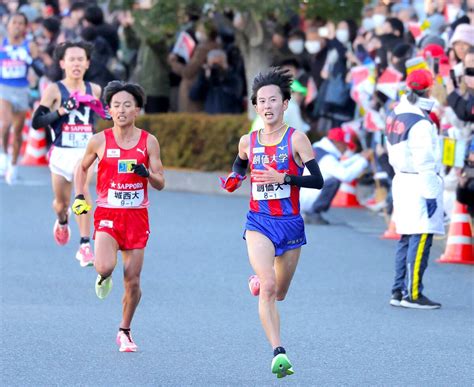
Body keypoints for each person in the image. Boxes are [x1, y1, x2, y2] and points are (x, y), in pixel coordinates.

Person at [220, 67, 324, 378]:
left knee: (279, 293)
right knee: (268, 286)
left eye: (273, 100)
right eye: (261, 101)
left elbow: (318, 181)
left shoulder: (297, 140)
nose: (267, 106)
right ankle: (278, 352)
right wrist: (233, 180)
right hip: (259, 222)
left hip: (290, 223)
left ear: (285, 104)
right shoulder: (247, 141)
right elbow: (239, 169)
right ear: (255, 107)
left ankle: (261, 281)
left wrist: (286, 178)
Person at [72, 81, 165, 352]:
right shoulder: (99, 140)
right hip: (108, 215)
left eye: (127, 105)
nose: (121, 110)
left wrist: (146, 173)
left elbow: (161, 182)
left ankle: (124, 331)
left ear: (137, 109)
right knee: (103, 266)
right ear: (109, 110)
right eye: (116, 105)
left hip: (137, 217)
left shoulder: (149, 142)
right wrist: (79, 195)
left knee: (133, 280)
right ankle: (103, 276)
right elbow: (82, 168)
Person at [31, 41, 101, 267]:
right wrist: (62, 110)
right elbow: (37, 122)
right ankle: (62, 221)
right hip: (61, 153)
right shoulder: (54, 90)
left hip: (85, 152)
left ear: (88, 63)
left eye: (81, 59)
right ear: (62, 63)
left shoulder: (95, 90)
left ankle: (84, 245)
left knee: (81, 188)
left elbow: (98, 118)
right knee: (61, 204)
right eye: (71, 59)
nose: (76, 63)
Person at [385, 69, 443, 309]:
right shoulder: (420, 121)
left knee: (407, 237)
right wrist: (431, 193)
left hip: (401, 179)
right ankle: (414, 293)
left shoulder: (397, 112)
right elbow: (425, 161)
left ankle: (398, 290)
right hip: (419, 180)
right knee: (421, 237)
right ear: (429, 89)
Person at [300, 127, 372, 225]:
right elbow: (345, 175)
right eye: (345, 145)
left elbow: (339, 165)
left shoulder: (318, 149)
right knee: (334, 181)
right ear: (337, 143)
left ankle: (310, 213)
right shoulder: (326, 158)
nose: (346, 149)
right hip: (308, 199)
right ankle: (314, 213)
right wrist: (364, 161)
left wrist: (359, 157)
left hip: (302, 195)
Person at [0, 12, 40, 183]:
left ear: (25, 27)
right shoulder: (1, 44)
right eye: (14, 22)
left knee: (17, 132)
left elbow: (39, 68)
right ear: (7, 25)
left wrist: (31, 65)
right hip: (4, 88)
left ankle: (14, 166)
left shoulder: (29, 46)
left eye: (20, 23)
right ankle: (3, 156)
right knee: (5, 123)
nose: (17, 26)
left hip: (22, 90)